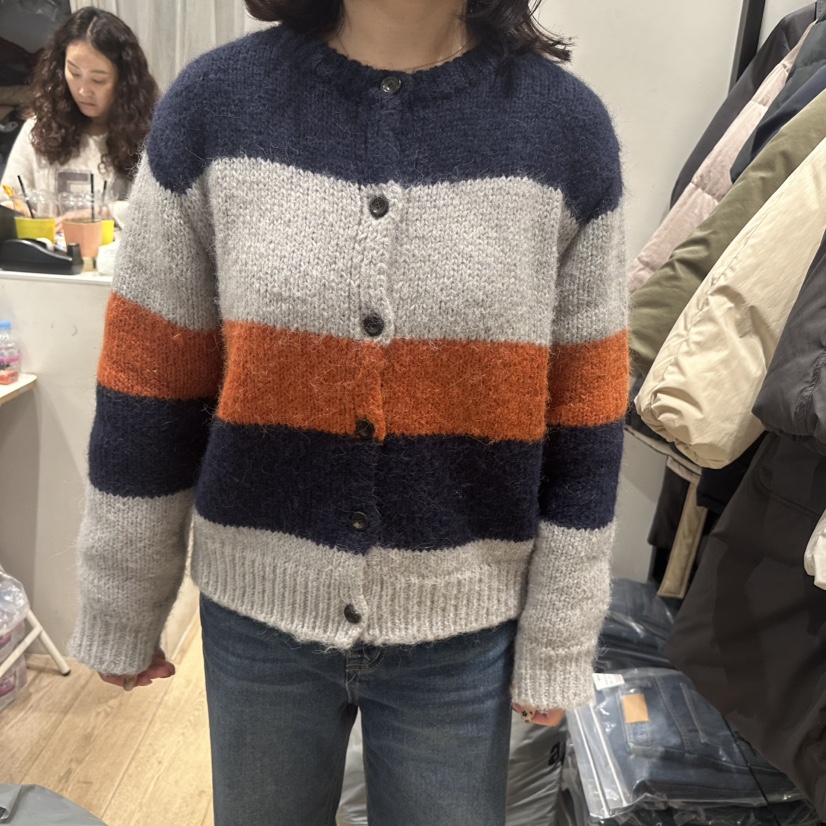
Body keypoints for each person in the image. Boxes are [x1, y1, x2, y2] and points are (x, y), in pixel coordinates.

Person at [69, 0, 628, 823]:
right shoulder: (217, 106)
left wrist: (561, 634)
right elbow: (150, 383)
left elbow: (587, 415)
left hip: (463, 634)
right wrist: (123, 599)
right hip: (258, 621)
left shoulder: (563, 131)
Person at [1, 7, 158, 222]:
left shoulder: (148, 135)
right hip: (50, 244)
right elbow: (8, 196)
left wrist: (108, 213)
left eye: (98, 80)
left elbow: (162, 209)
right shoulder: (38, 128)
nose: (83, 91)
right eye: (74, 73)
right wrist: (16, 212)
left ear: (124, 81)